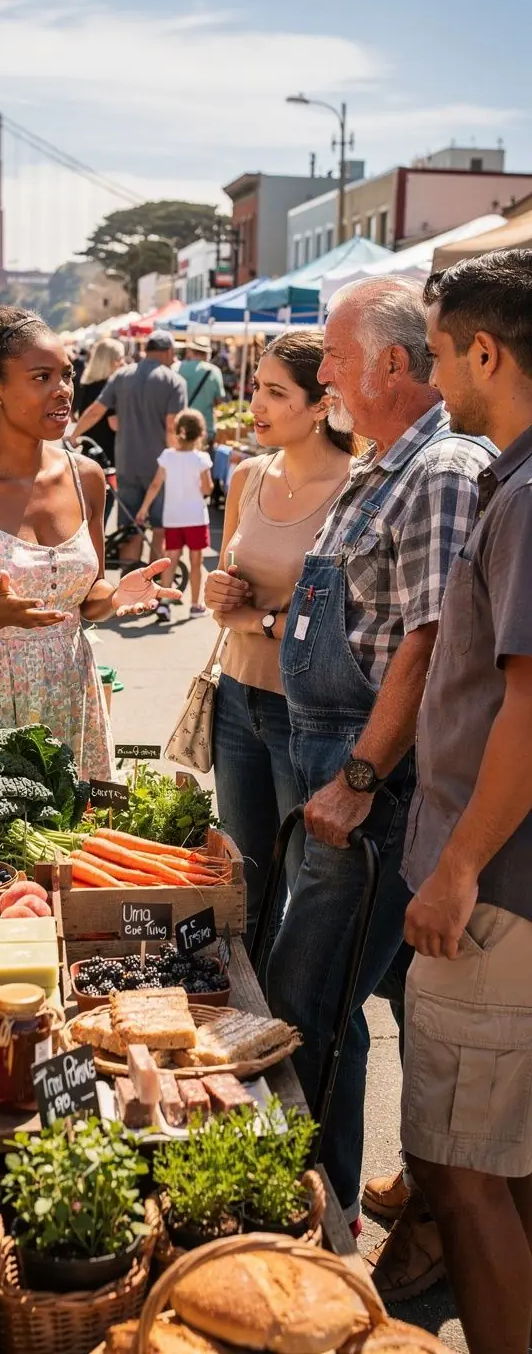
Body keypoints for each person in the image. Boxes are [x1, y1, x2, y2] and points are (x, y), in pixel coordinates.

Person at [264, 278, 493, 1248]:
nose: (325, 374)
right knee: (389, 997)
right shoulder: (379, 465)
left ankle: (308, 1231)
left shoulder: (441, 466)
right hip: (331, 753)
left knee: (301, 1005)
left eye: (337, 357)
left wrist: (358, 779)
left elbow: (430, 641)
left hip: (370, 778)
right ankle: (421, 1200)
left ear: (392, 365)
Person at [371, 252, 532, 1354]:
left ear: (487, 352)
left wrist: (459, 864)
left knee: (464, 1169)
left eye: (433, 354)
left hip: (496, 885)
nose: (432, 379)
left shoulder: (525, 492)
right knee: (504, 1161)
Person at [0, 307, 181, 774]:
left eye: (67, 375)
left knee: (70, 842)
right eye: (41, 377)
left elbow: (84, 600)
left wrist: (115, 595)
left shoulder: (87, 478)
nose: (63, 390)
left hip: (69, 696)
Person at [205, 330, 357, 943]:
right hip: (236, 700)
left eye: (275, 392)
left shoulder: (356, 487)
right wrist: (222, 597)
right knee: (247, 882)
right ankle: (251, 1020)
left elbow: (341, 615)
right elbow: (223, 591)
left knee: (310, 884)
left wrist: (260, 621)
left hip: (309, 711)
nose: (256, 406)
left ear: (322, 403)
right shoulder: (247, 475)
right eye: (254, 389)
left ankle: (309, 1032)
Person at [69, 329, 187, 573]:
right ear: (168, 352)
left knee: (130, 524)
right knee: (159, 526)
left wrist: (74, 434)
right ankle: (155, 578)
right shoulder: (174, 381)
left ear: (146, 350)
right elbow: (171, 427)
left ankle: (130, 577)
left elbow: (96, 410)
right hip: (159, 468)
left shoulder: (122, 376)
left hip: (126, 462)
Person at [136, 408, 214, 617]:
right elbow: (207, 489)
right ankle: (195, 605)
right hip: (196, 518)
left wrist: (144, 509)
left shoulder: (167, 456)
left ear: (177, 430)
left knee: (170, 558)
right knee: (196, 562)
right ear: (200, 434)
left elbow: (155, 485)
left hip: (173, 518)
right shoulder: (202, 459)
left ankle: (164, 604)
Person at [72, 338, 124, 467]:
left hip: (89, 449)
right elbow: (114, 423)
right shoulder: (110, 387)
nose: (124, 362)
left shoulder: (87, 384)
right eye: (121, 358)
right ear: (113, 361)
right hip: (107, 453)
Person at [178, 338, 225, 444]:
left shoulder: (179, 368)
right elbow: (218, 401)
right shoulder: (214, 371)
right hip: (205, 427)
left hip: (182, 426)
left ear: (191, 351)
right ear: (207, 353)